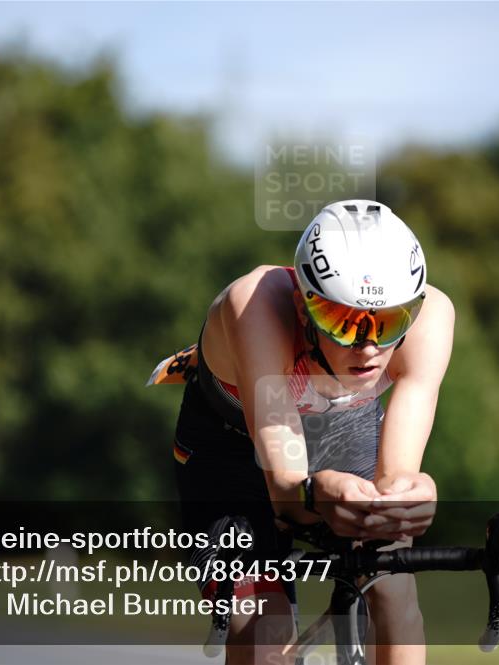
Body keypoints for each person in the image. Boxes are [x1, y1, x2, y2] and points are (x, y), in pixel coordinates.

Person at [148, 199, 455, 664]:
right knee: (263, 627)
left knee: (391, 583)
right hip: (231, 443)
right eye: (343, 321)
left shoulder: (432, 318)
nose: (368, 347)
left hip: (343, 429)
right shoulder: (254, 305)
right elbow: (286, 491)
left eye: (389, 322)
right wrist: (316, 492)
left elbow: (396, 475)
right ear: (303, 305)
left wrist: (411, 495)